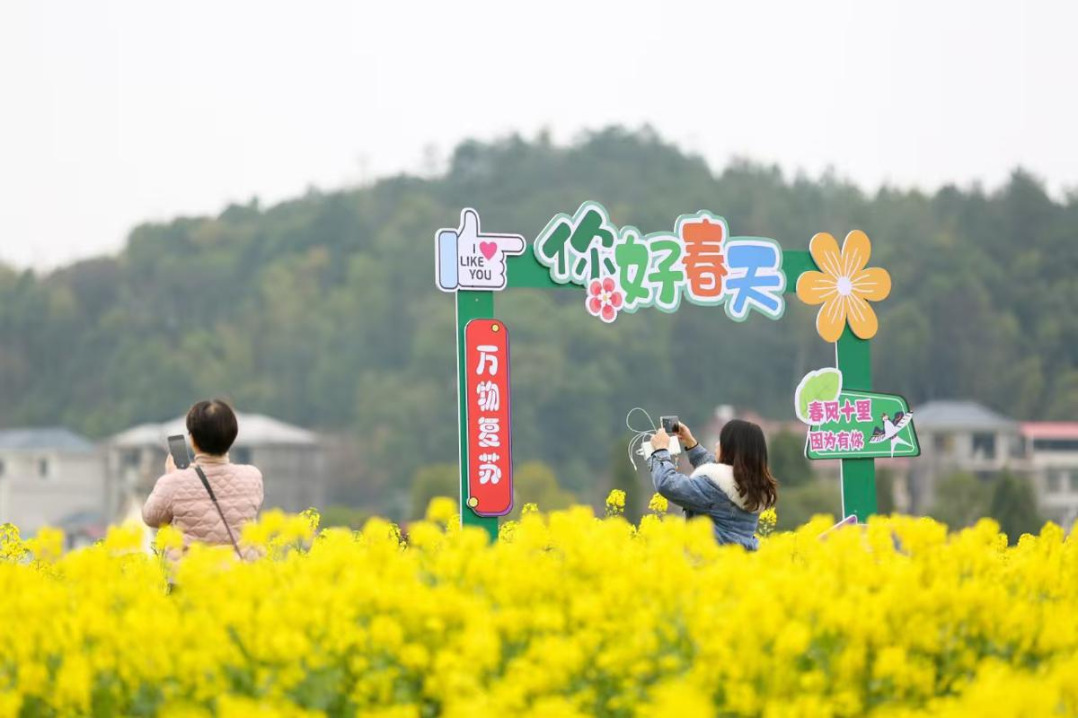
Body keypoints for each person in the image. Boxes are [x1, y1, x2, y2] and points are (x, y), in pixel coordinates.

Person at [143, 400, 263, 554]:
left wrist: (173, 477)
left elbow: (150, 517)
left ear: (192, 440)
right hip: (238, 574)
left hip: (191, 575)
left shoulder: (174, 482)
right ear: (232, 437)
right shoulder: (253, 477)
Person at [647, 418, 778, 550]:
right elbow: (719, 475)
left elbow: (667, 484)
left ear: (730, 449)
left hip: (710, 564)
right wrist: (690, 443)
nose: (716, 444)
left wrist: (660, 450)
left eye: (721, 440)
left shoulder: (713, 488)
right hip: (741, 564)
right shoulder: (753, 486)